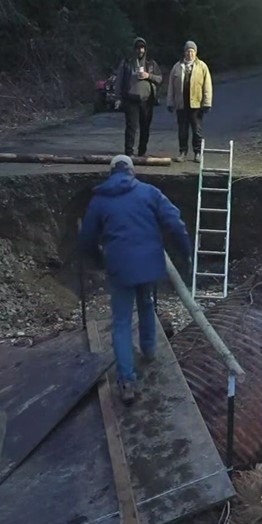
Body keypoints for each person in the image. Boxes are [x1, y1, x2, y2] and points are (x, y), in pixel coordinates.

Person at [78, 155, 193, 405]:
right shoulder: (149, 193)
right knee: (147, 305)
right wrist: (186, 252)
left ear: (111, 173)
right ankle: (149, 351)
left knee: (120, 321)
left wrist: (99, 260)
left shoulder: (99, 200)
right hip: (149, 265)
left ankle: (127, 380)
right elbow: (174, 222)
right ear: (132, 171)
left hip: (119, 268)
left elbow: (86, 239)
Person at [113, 37, 163, 157]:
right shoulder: (127, 62)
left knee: (145, 127)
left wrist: (148, 75)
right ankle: (129, 152)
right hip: (131, 99)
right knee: (131, 127)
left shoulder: (151, 63)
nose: (140, 50)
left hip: (147, 100)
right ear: (134, 49)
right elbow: (119, 80)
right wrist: (118, 98)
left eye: (142, 48)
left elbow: (160, 78)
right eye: (138, 48)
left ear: (145, 49)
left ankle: (142, 152)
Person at [167, 40, 213, 162]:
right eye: (188, 51)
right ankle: (182, 152)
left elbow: (207, 86)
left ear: (195, 52)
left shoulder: (202, 66)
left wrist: (207, 103)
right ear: (184, 52)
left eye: (192, 51)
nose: (190, 54)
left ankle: (198, 153)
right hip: (181, 104)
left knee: (197, 130)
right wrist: (170, 102)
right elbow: (171, 86)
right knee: (182, 130)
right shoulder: (176, 67)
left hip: (196, 105)